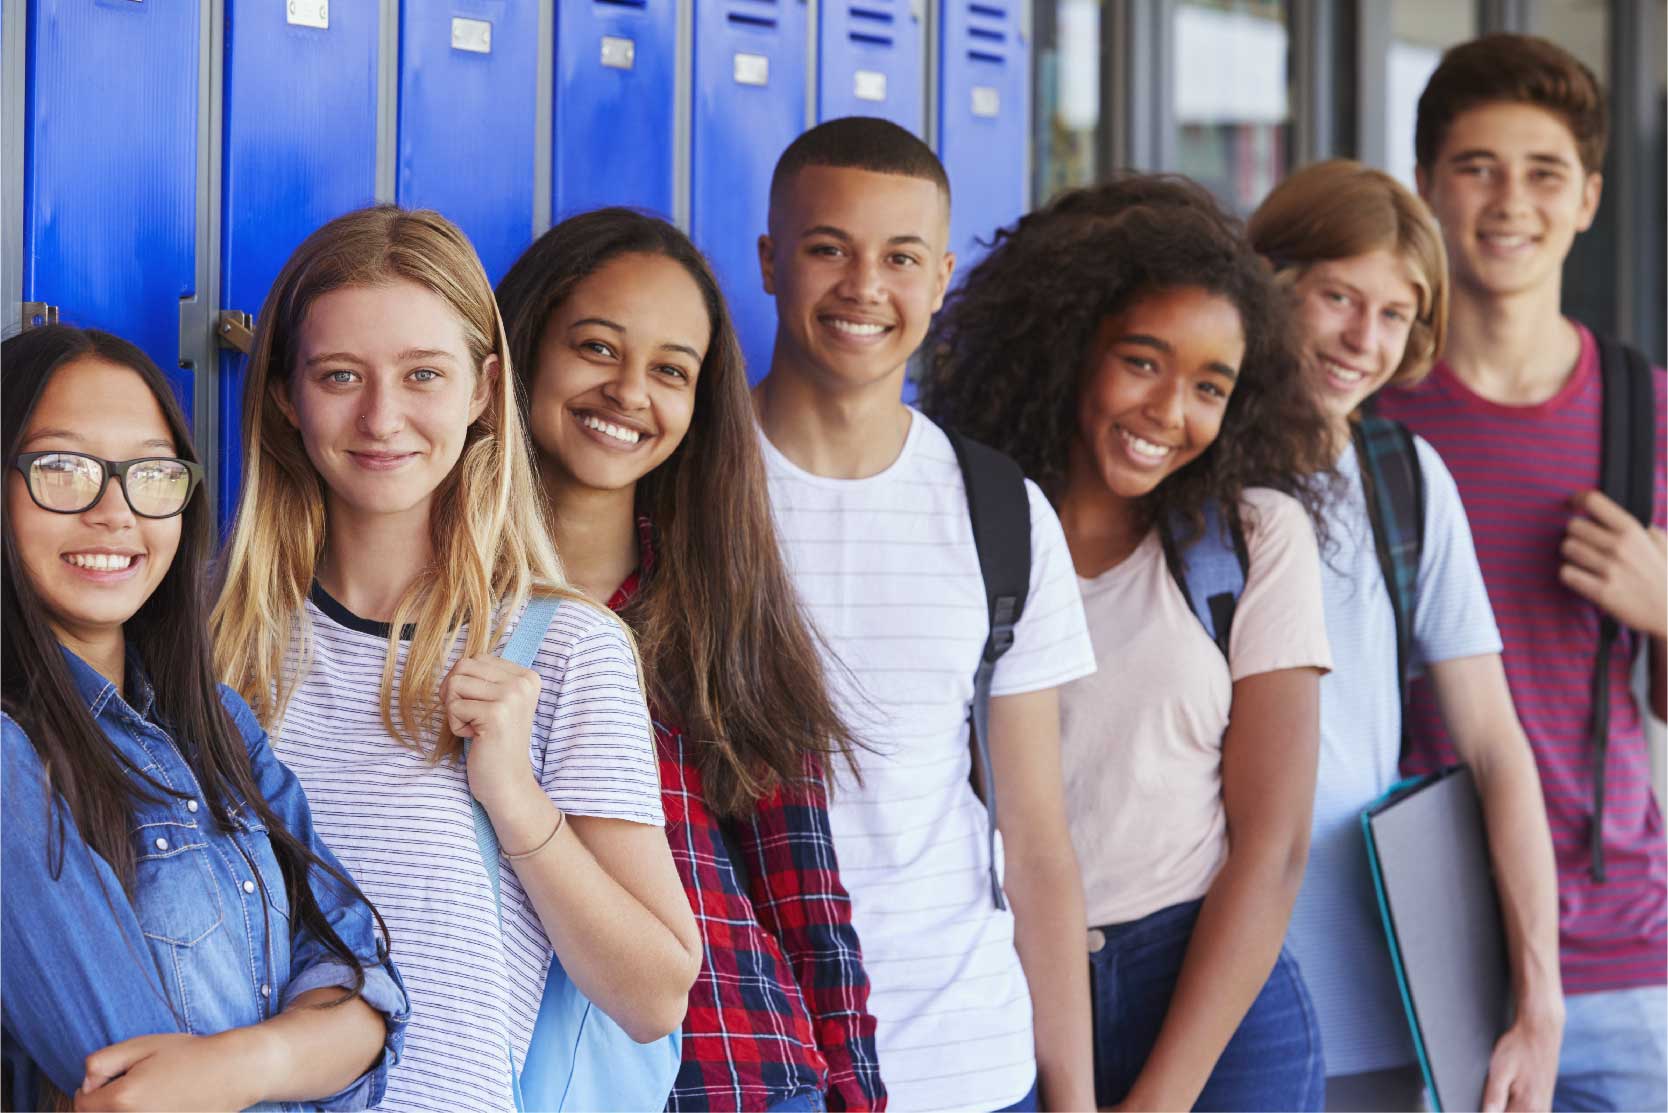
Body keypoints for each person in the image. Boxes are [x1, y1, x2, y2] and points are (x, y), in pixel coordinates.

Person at [211, 205, 703, 1112]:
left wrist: (513, 796)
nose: (381, 416)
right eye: (340, 374)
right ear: (286, 393)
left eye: (422, 375)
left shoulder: (567, 647)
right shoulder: (213, 634)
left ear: (483, 391)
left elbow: (654, 993)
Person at [921, 174, 1335, 1112]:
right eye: (1142, 361)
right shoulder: (963, 523)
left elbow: (1270, 851)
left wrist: (1162, 1096)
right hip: (1002, 980)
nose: (1168, 411)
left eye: (1209, 386)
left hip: (1207, 1001)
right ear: (1070, 348)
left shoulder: (1253, 541)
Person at [496, 207, 883, 1113]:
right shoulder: (435, 608)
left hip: (739, 1076)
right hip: (525, 1082)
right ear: (522, 352)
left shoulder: (720, 608)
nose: (631, 392)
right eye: (596, 347)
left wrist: (859, 1099)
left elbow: (807, 902)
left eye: (671, 371)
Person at [752, 116, 1099, 1112]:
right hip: (758, 1065)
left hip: (972, 1066)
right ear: (772, 260)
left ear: (941, 277)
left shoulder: (999, 509)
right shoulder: (685, 487)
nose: (866, 287)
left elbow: (1036, 841)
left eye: (901, 257)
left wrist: (1072, 1097)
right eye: (829, 250)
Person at [2, 324, 408, 1112]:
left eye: (151, 475)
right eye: (62, 468)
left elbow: (368, 982)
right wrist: (304, 1049)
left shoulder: (215, 722)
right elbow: (127, 1090)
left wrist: (243, 1064)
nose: (115, 512)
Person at [1375, 34, 1667, 1112]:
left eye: (1544, 172)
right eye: (1477, 167)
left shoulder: (1648, 415)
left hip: (1616, 955)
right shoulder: (1370, 419)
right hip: (1407, 944)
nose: (1511, 201)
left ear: (1587, 198)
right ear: (1425, 189)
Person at [1248, 158, 1564, 1111]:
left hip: (1377, 993)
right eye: (1337, 296)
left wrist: (1538, 998)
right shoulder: (1186, 464)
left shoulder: (1406, 479)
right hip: (1204, 990)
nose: (1362, 340)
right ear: (1269, 287)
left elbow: (1496, 745)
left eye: (1394, 314)